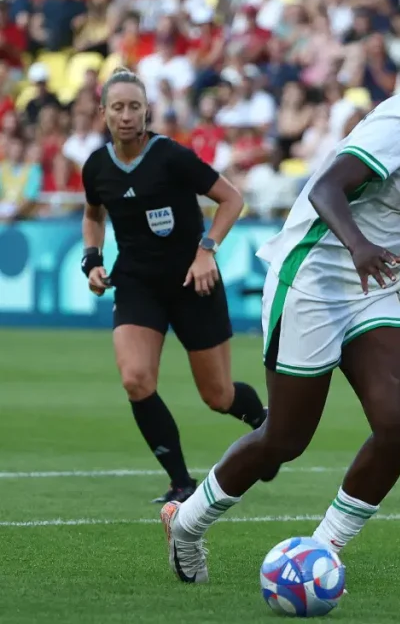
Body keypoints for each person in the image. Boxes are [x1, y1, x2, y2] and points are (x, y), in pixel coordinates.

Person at [159, 35, 400, 584]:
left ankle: (322, 549)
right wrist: (359, 245)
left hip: (370, 289)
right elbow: (327, 189)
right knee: (284, 439)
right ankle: (186, 524)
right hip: (312, 283)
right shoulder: (397, 128)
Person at [80, 67, 264, 504]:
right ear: (103, 112)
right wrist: (92, 260)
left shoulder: (171, 156)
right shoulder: (97, 166)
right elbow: (93, 214)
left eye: (135, 107)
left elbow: (232, 199)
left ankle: (264, 425)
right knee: (135, 380)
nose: (127, 115)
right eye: (118, 107)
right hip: (137, 284)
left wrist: (206, 251)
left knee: (218, 396)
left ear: (147, 111)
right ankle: (181, 482)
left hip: (193, 283)